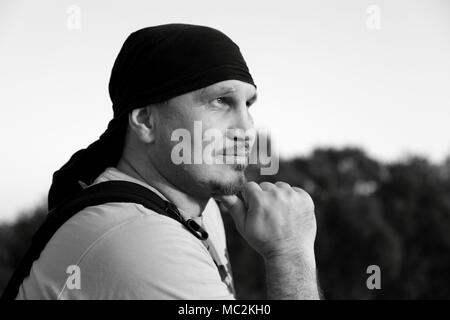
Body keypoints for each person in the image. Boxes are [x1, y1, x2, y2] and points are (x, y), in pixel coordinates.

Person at [16, 24, 320, 299]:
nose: (246, 129)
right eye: (220, 101)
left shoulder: (204, 210)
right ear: (146, 121)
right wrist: (290, 253)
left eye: (248, 104)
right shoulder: (140, 238)